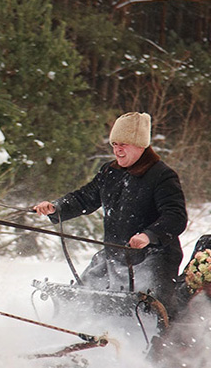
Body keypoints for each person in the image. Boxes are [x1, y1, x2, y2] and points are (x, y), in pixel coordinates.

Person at [33, 112, 187, 308]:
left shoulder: (162, 175)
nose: (117, 150)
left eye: (123, 144)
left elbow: (176, 216)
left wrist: (148, 235)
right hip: (114, 256)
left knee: (147, 308)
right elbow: (84, 198)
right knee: (83, 300)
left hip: (153, 259)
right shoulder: (110, 172)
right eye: (114, 144)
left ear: (141, 145)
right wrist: (56, 207)